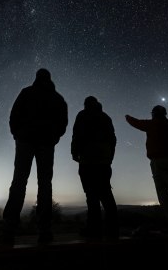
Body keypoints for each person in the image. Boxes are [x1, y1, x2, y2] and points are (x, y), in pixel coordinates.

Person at [0, 68, 68, 246]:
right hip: (44, 144)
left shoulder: (26, 92)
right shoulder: (58, 98)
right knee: (45, 184)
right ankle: (44, 230)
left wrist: (18, 134)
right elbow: (62, 123)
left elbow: (14, 115)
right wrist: (53, 137)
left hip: (26, 142)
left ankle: (8, 229)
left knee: (19, 182)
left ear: (36, 78)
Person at [125, 105, 168, 235]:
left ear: (154, 114)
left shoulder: (151, 124)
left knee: (164, 193)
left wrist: (127, 117)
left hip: (159, 161)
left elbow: (136, 122)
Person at [71, 96, 119, 241]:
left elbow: (77, 135)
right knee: (105, 192)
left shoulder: (82, 115)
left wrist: (74, 152)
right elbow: (113, 139)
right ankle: (112, 228)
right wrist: (110, 157)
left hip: (88, 157)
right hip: (104, 159)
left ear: (86, 104)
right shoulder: (105, 117)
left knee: (91, 194)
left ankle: (94, 228)